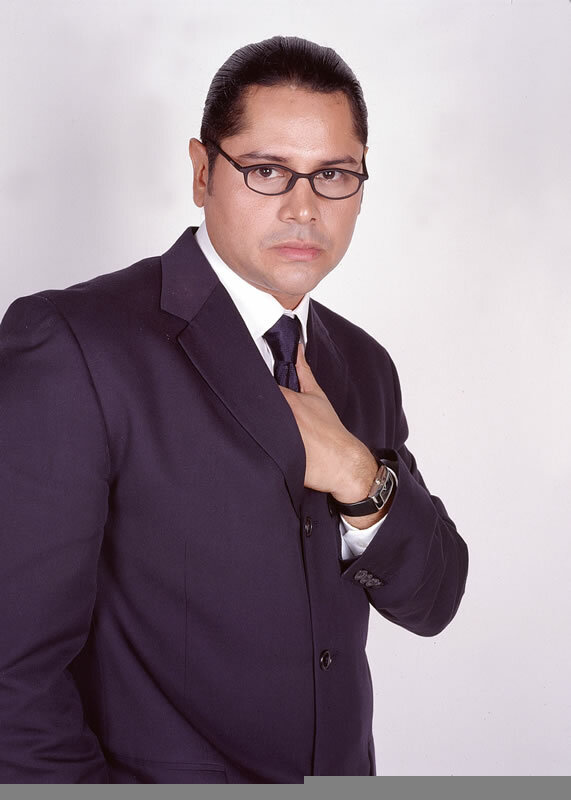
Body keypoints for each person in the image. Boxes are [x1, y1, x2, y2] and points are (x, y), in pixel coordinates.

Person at [0, 35, 468, 783]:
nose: (304, 207)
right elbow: (12, 677)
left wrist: (358, 475)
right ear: (202, 172)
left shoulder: (363, 364)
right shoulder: (77, 344)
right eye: (266, 170)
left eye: (333, 174)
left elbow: (433, 598)